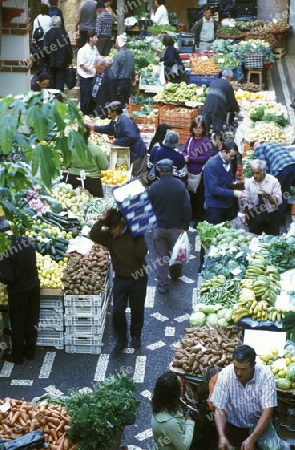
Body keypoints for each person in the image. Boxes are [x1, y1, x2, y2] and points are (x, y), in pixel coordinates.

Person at [89, 207, 148, 354]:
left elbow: (142, 253)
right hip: (121, 278)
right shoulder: (110, 237)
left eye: (113, 228)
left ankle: (135, 335)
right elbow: (93, 234)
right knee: (117, 311)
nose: (111, 231)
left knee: (137, 308)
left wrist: (140, 234)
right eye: (109, 228)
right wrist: (102, 218)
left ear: (121, 224)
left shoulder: (135, 234)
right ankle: (121, 338)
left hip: (138, 277)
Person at [211, 344, 286, 450]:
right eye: (236, 368)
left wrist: (253, 438)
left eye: (243, 369)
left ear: (253, 365)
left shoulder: (266, 376)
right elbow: (219, 409)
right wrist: (222, 436)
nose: (239, 373)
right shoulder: (226, 375)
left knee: (272, 447)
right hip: (233, 427)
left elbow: (268, 411)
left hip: (258, 424)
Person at [0, 218, 40, 365]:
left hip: (18, 292)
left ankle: (17, 356)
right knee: (32, 321)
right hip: (34, 287)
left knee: (18, 324)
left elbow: (8, 277)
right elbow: (33, 262)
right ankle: (30, 352)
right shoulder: (25, 240)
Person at [148, 158, 192, 294]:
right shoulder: (180, 186)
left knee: (161, 258)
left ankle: (163, 285)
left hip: (159, 228)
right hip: (176, 228)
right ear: (173, 169)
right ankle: (175, 274)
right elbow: (187, 207)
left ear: (159, 170)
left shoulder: (153, 187)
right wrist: (185, 226)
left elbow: (148, 208)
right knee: (176, 252)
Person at [87, 101, 147, 180]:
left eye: (108, 110)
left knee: (137, 178)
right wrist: (94, 127)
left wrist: (116, 141)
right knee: (130, 176)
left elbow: (131, 137)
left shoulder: (125, 121)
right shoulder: (116, 120)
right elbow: (108, 129)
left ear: (114, 112)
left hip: (137, 154)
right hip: (130, 153)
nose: (107, 113)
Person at [253, 142, 295, 224]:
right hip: (293, 165)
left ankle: (270, 219)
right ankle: (280, 218)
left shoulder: (258, 149)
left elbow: (263, 167)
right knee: (284, 193)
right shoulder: (276, 144)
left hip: (280, 168)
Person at [151, 371, 195, 450]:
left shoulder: (160, 405)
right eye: (181, 386)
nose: (182, 387)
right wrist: (189, 422)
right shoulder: (170, 424)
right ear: (175, 393)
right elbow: (183, 447)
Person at [203, 144, 244, 224]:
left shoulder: (228, 162)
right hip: (215, 207)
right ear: (224, 152)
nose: (233, 158)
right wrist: (233, 193)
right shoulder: (212, 165)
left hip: (227, 204)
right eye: (231, 156)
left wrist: (234, 184)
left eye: (234, 156)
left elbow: (229, 179)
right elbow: (213, 189)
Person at [182, 116, 212, 223]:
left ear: (204, 129)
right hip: (189, 171)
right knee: (190, 194)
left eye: (200, 128)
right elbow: (184, 150)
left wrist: (190, 158)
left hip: (200, 172)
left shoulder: (205, 141)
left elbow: (206, 157)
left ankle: (200, 217)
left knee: (199, 196)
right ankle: (192, 214)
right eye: (195, 128)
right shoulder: (189, 139)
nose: (197, 130)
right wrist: (185, 156)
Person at [242, 159, 282, 236]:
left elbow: (278, 201)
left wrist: (267, 195)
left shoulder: (273, 181)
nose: (255, 176)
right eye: (253, 173)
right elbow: (244, 198)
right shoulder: (249, 182)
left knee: (273, 240)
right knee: (253, 240)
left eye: (257, 173)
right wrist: (245, 204)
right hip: (254, 215)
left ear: (263, 170)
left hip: (271, 215)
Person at [66, 125, 109, 197]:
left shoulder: (70, 147)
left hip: (73, 180)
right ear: (90, 134)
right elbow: (104, 166)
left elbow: (67, 164)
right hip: (92, 183)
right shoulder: (96, 149)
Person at [202, 68, 239, 135]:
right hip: (217, 109)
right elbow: (232, 101)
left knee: (204, 131)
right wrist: (237, 109)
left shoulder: (213, 82)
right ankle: (216, 144)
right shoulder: (228, 86)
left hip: (206, 108)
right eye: (230, 78)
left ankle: (204, 143)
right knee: (217, 132)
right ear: (229, 78)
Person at [44, 15, 73, 92]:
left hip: (51, 62)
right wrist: (69, 60)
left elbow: (45, 49)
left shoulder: (48, 34)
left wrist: (45, 62)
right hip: (62, 62)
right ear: (59, 23)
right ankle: (59, 98)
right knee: (60, 81)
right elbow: (68, 48)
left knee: (52, 80)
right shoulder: (63, 33)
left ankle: (53, 97)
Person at [77, 30, 99, 115]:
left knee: (92, 97)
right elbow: (82, 65)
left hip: (93, 77)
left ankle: (90, 114)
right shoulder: (83, 50)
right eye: (95, 37)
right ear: (90, 38)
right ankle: (83, 115)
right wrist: (91, 71)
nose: (97, 39)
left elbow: (98, 58)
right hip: (85, 77)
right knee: (84, 98)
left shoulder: (94, 49)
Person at [112, 33, 135, 107]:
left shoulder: (117, 56)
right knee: (126, 101)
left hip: (120, 82)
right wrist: (133, 79)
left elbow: (114, 73)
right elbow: (133, 68)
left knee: (119, 103)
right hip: (128, 81)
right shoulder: (131, 54)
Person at [32, 3, 52, 70]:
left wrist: (33, 41)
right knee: (48, 57)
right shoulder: (50, 19)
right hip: (48, 41)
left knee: (41, 58)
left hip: (39, 41)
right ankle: (47, 72)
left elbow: (34, 31)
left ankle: (41, 71)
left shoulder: (37, 19)